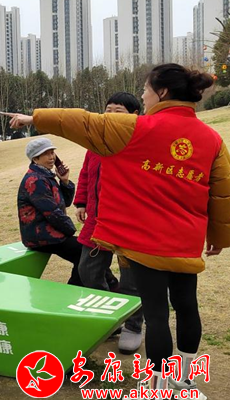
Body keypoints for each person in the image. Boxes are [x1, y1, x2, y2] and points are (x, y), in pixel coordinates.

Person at [7, 64, 230, 400]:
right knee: (186, 306)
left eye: (145, 90)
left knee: (157, 316)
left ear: (162, 93)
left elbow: (82, 122)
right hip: (185, 244)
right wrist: (220, 238)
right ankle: (184, 382)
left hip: (146, 242)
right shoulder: (211, 138)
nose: (143, 97)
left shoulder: (135, 128)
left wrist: (33, 118)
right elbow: (225, 194)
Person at [74, 92, 144, 354]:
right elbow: (86, 174)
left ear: (134, 115)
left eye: (119, 111)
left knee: (132, 279)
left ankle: (133, 325)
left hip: (129, 223)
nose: (111, 115)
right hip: (97, 220)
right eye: (108, 109)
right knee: (88, 270)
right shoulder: (96, 141)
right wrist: (81, 202)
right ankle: (110, 318)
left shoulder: (140, 142)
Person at [17, 138, 82, 286]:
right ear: (35, 158)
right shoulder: (36, 180)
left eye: (52, 152)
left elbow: (64, 203)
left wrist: (65, 181)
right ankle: (74, 289)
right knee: (85, 252)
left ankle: (104, 285)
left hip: (48, 233)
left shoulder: (45, 175)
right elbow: (52, 212)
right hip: (41, 236)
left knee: (86, 253)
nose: (51, 157)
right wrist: (70, 230)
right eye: (46, 154)